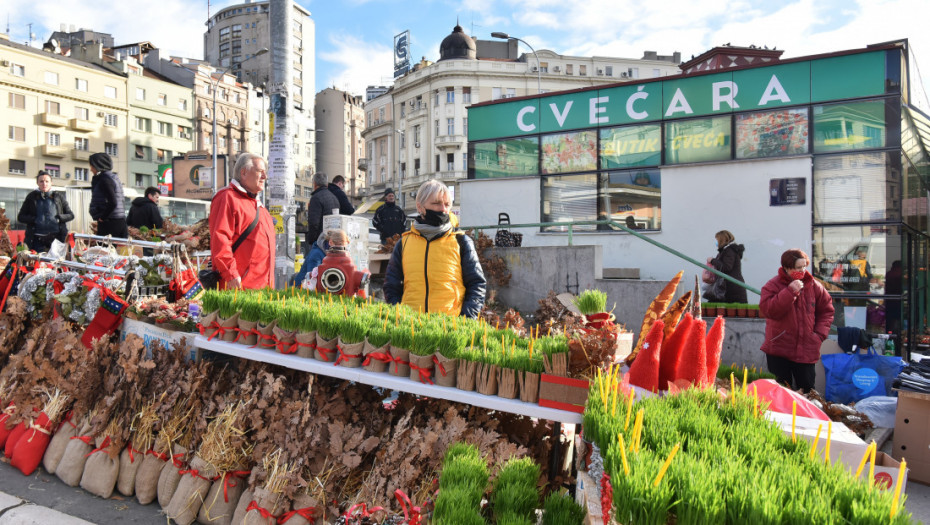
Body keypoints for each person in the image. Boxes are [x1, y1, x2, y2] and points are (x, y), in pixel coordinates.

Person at [383, 180, 486, 318]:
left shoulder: (461, 242)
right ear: (420, 207)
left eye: (447, 204)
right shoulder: (404, 244)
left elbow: (477, 284)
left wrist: (465, 320)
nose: (443, 209)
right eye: (437, 203)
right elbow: (391, 286)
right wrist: (401, 316)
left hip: (450, 327)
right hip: (411, 326)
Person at [760, 249, 835, 392]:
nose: (802, 270)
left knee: (808, 392)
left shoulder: (814, 285)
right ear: (787, 268)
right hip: (779, 348)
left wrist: (818, 335)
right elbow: (769, 310)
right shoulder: (773, 285)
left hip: (807, 348)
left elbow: (827, 311)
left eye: (804, 266)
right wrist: (789, 292)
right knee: (780, 392)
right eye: (798, 267)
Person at [208, 153, 276, 289]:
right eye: (260, 172)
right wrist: (231, 274)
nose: (265, 176)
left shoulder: (258, 206)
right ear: (244, 172)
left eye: (265, 172)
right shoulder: (227, 197)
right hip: (239, 287)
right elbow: (220, 240)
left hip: (262, 288)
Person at [17, 170, 74, 252]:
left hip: (57, 239)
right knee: (38, 263)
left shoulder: (58, 197)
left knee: (56, 264)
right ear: (37, 183)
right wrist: (35, 219)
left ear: (51, 183)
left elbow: (71, 215)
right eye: (41, 181)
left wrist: (59, 218)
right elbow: (21, 217)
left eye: (47, 181)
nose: (44, 184)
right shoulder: (31, 197)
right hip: (36, 240)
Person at [88, 152, 128, 238]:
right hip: (119, 220)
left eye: (92, 166)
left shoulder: (105, 180)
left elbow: (113, 202)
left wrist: (102, 217)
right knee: (117, 250)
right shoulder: (114, 178)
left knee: (104, 250)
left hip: (110, 223)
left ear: (98, 165)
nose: (91, 169)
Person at [706, 230, 748, 303]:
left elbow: (726, 267)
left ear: (722, 240)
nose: (716, 242)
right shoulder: (727, 251)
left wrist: (712, 260)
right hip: (729, 287)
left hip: (732, 288)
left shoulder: (729, 251)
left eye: (717, 240)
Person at [305, 173, 339, 249]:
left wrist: (311, 240)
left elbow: (314, 223)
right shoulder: (334, 198)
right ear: (326, 184)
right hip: (332, 241)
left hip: (319, 242)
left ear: (314, 184)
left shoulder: (316, 198)